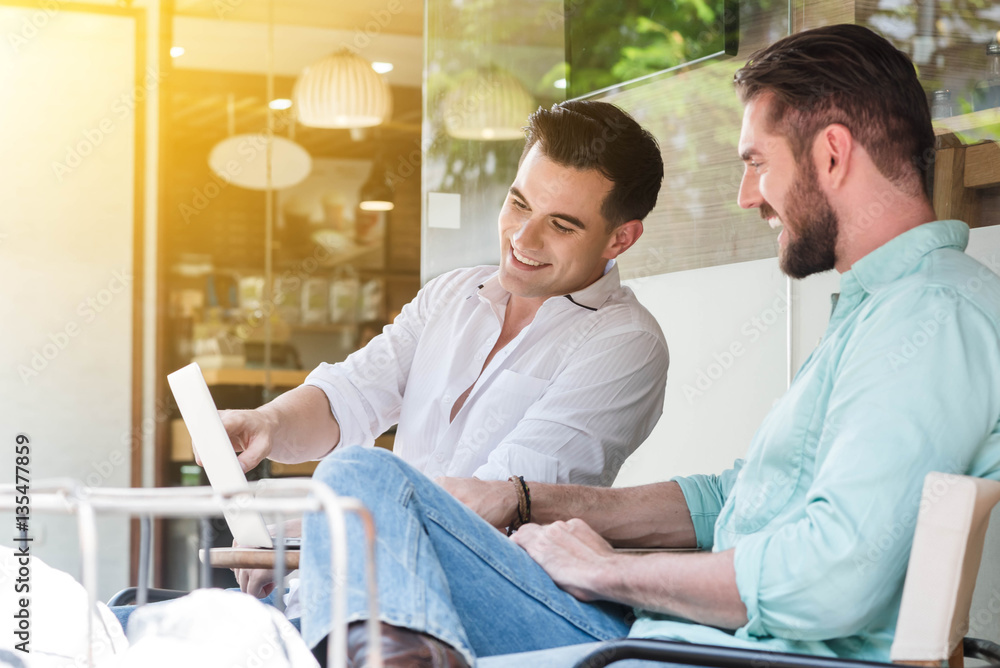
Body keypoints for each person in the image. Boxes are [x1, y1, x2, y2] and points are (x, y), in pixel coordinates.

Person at [293, 24, 1000, 668]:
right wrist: (526, 500)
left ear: (834, 154)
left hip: (719, 655)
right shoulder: (885, 309)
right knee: (344, 542)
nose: (748, 196)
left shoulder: (932, 316)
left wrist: (610, 571)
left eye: (757, 163)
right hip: (677, 637)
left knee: (360, 483)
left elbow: (834, 577)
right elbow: (732, 498)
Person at [222, 99, 668, 489]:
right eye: (519, 205)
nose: (523, 239)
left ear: (620, 239)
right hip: (377, 564)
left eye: (561, 225)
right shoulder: (453, 294)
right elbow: (351, 395)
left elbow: (508, 496)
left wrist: (322, 536)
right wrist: (270, 423)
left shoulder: (626, 343)